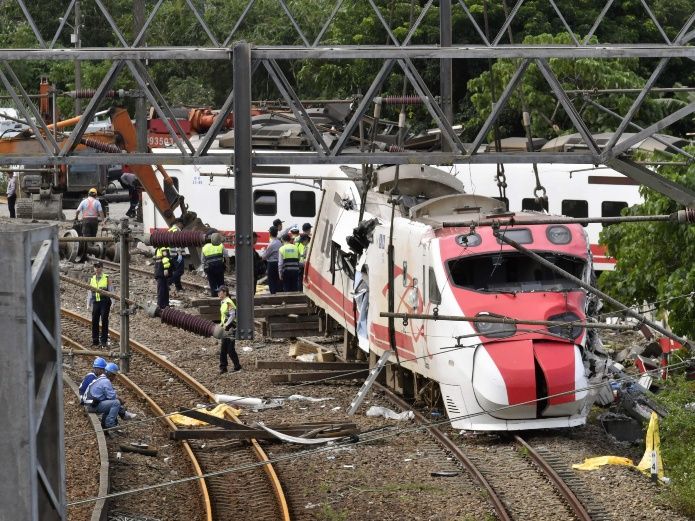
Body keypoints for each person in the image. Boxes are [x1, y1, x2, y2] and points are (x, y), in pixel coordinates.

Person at [84, 362, 136, 437]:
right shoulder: (106, 381)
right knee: (116, 403)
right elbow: (112, 397)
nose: (114, 378)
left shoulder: (100, 377)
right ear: (111, 374)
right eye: (114, 375)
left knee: (111, 405)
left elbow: (109, 395)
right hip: (92, 406)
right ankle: (110, 424)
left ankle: (104, 426)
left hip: (90, 404)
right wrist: (121, 401)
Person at [217, 285, 242, 374]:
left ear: (224, 292)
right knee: (224, 348)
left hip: (231, 328)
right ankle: (223, 367)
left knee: (230, 349)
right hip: (226, 328)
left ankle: (237, 366)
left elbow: (232, 315)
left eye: (219, 292)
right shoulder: (223, 302)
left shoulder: (228, 302)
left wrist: (226, 325)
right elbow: (224, 316)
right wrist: (221, 324)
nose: (218, 293)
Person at [88, 261, 113, 347]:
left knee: (104, 321)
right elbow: (90, 292)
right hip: (96, 302)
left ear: (102, 268)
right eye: (95, 267)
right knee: (94, 321)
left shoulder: (106, 278)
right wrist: (88, 303)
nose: (97, 268)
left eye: (98, 267)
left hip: (104, 302)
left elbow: (111, 291)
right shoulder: (92, 279)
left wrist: (113, 303)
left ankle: (103, 341)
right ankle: (95, 340)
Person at [167, 219, 185, 294]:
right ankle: (168, 282)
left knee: (175, 271)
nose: (182, 226)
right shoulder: (176, 230)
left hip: (170, 253)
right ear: (178, 223)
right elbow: (177, 242)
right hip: (176, 254)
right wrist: (180, 253)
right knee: (180, 271)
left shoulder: (170, 229)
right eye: (182, 224)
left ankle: (178, 287)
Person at [262, 226, 281, 294]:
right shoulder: (279, 242)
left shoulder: (271, 244)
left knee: (272, 281)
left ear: (269, 233)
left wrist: (263, 251)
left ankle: (273, 295)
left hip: (272, 264)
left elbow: (264, 256)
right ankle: (278, 294)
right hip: (279, 263)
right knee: (277, 280)